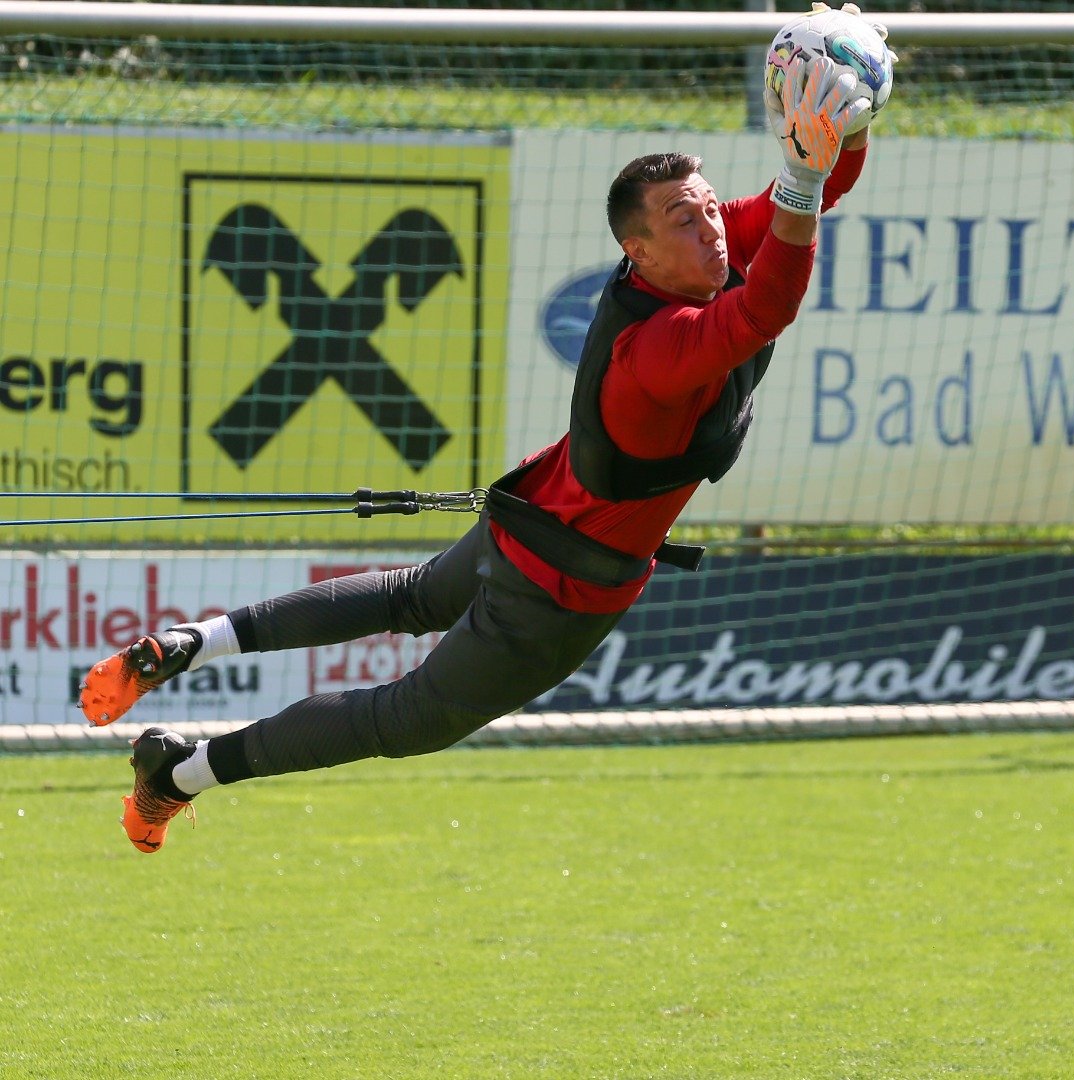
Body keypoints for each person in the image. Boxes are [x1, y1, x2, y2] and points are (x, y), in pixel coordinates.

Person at [79, 48, 878, 853]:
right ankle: (175, 774)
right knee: (410, 716)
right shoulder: (660, 347)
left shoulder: (688, 255)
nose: (711, 226)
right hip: (560, 582)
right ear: (639, 251)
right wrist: (803, 175)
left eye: (710, 209)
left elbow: (809, 197)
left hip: (535, 509)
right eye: (685, 218)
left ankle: (189, 642)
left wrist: (848, 116)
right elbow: (768, 301)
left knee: (411, 595)